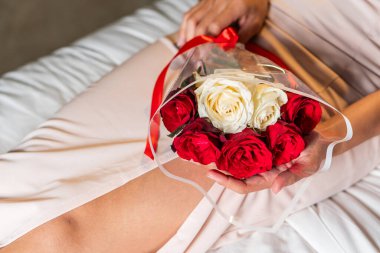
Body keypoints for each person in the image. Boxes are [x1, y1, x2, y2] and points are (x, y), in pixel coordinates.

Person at [1, 0, 379, 252]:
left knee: (75, 234)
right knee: (18, 182)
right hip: (253, 26)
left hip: (346, 87)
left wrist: (329, 136)